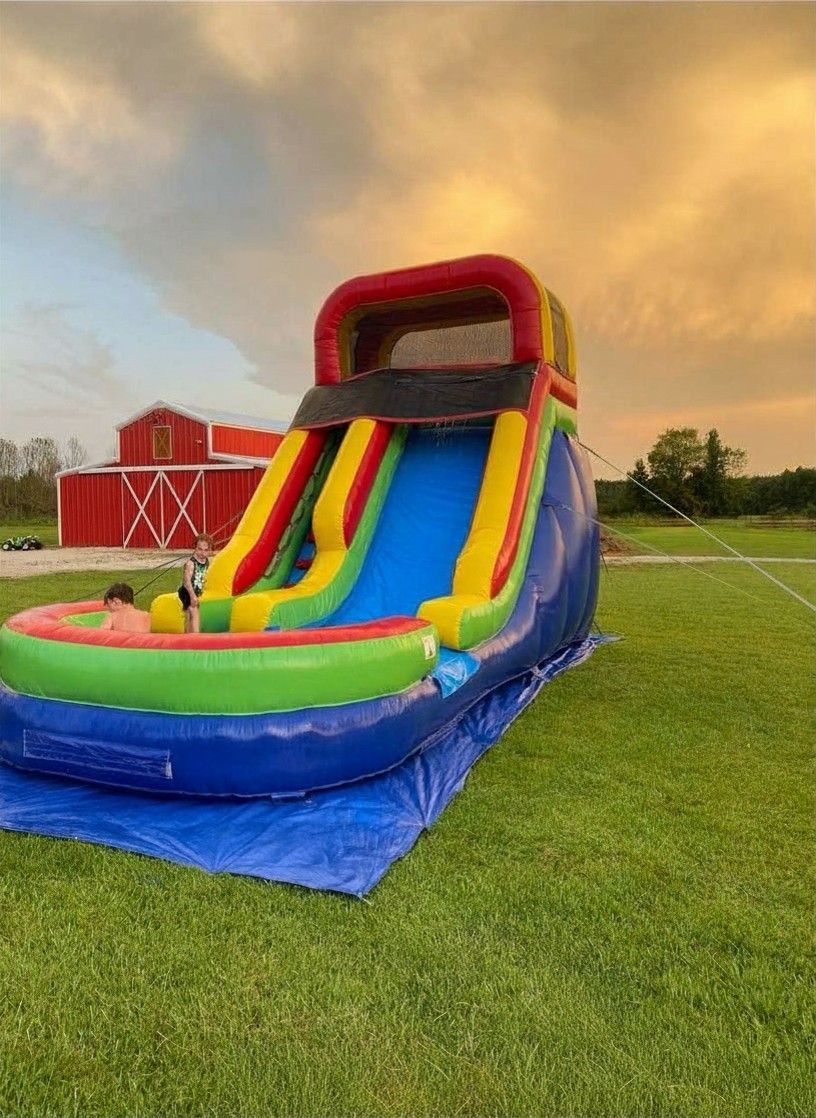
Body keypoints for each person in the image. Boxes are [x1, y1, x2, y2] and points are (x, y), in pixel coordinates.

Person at [178, 533, 215, 634]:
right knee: (194, 613)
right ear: (195, 548)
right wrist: (192, 596)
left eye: (205, 550)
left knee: (190, 617)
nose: (202, 553)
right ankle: (196, 636)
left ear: (210, 551)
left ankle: (188, 636)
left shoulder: (208, 562)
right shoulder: (191, 563)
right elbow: (186, 582)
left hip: (197, 591)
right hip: (187, 592)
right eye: (199, 549)